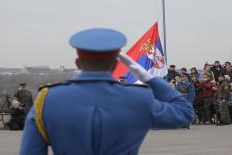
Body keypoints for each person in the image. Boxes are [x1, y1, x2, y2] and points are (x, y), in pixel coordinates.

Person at [20, 28, 194, 155]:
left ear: (78, 63)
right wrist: (149, 78)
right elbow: (184, 113)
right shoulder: (139, 98)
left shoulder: (48, 99)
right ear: (115, 65)